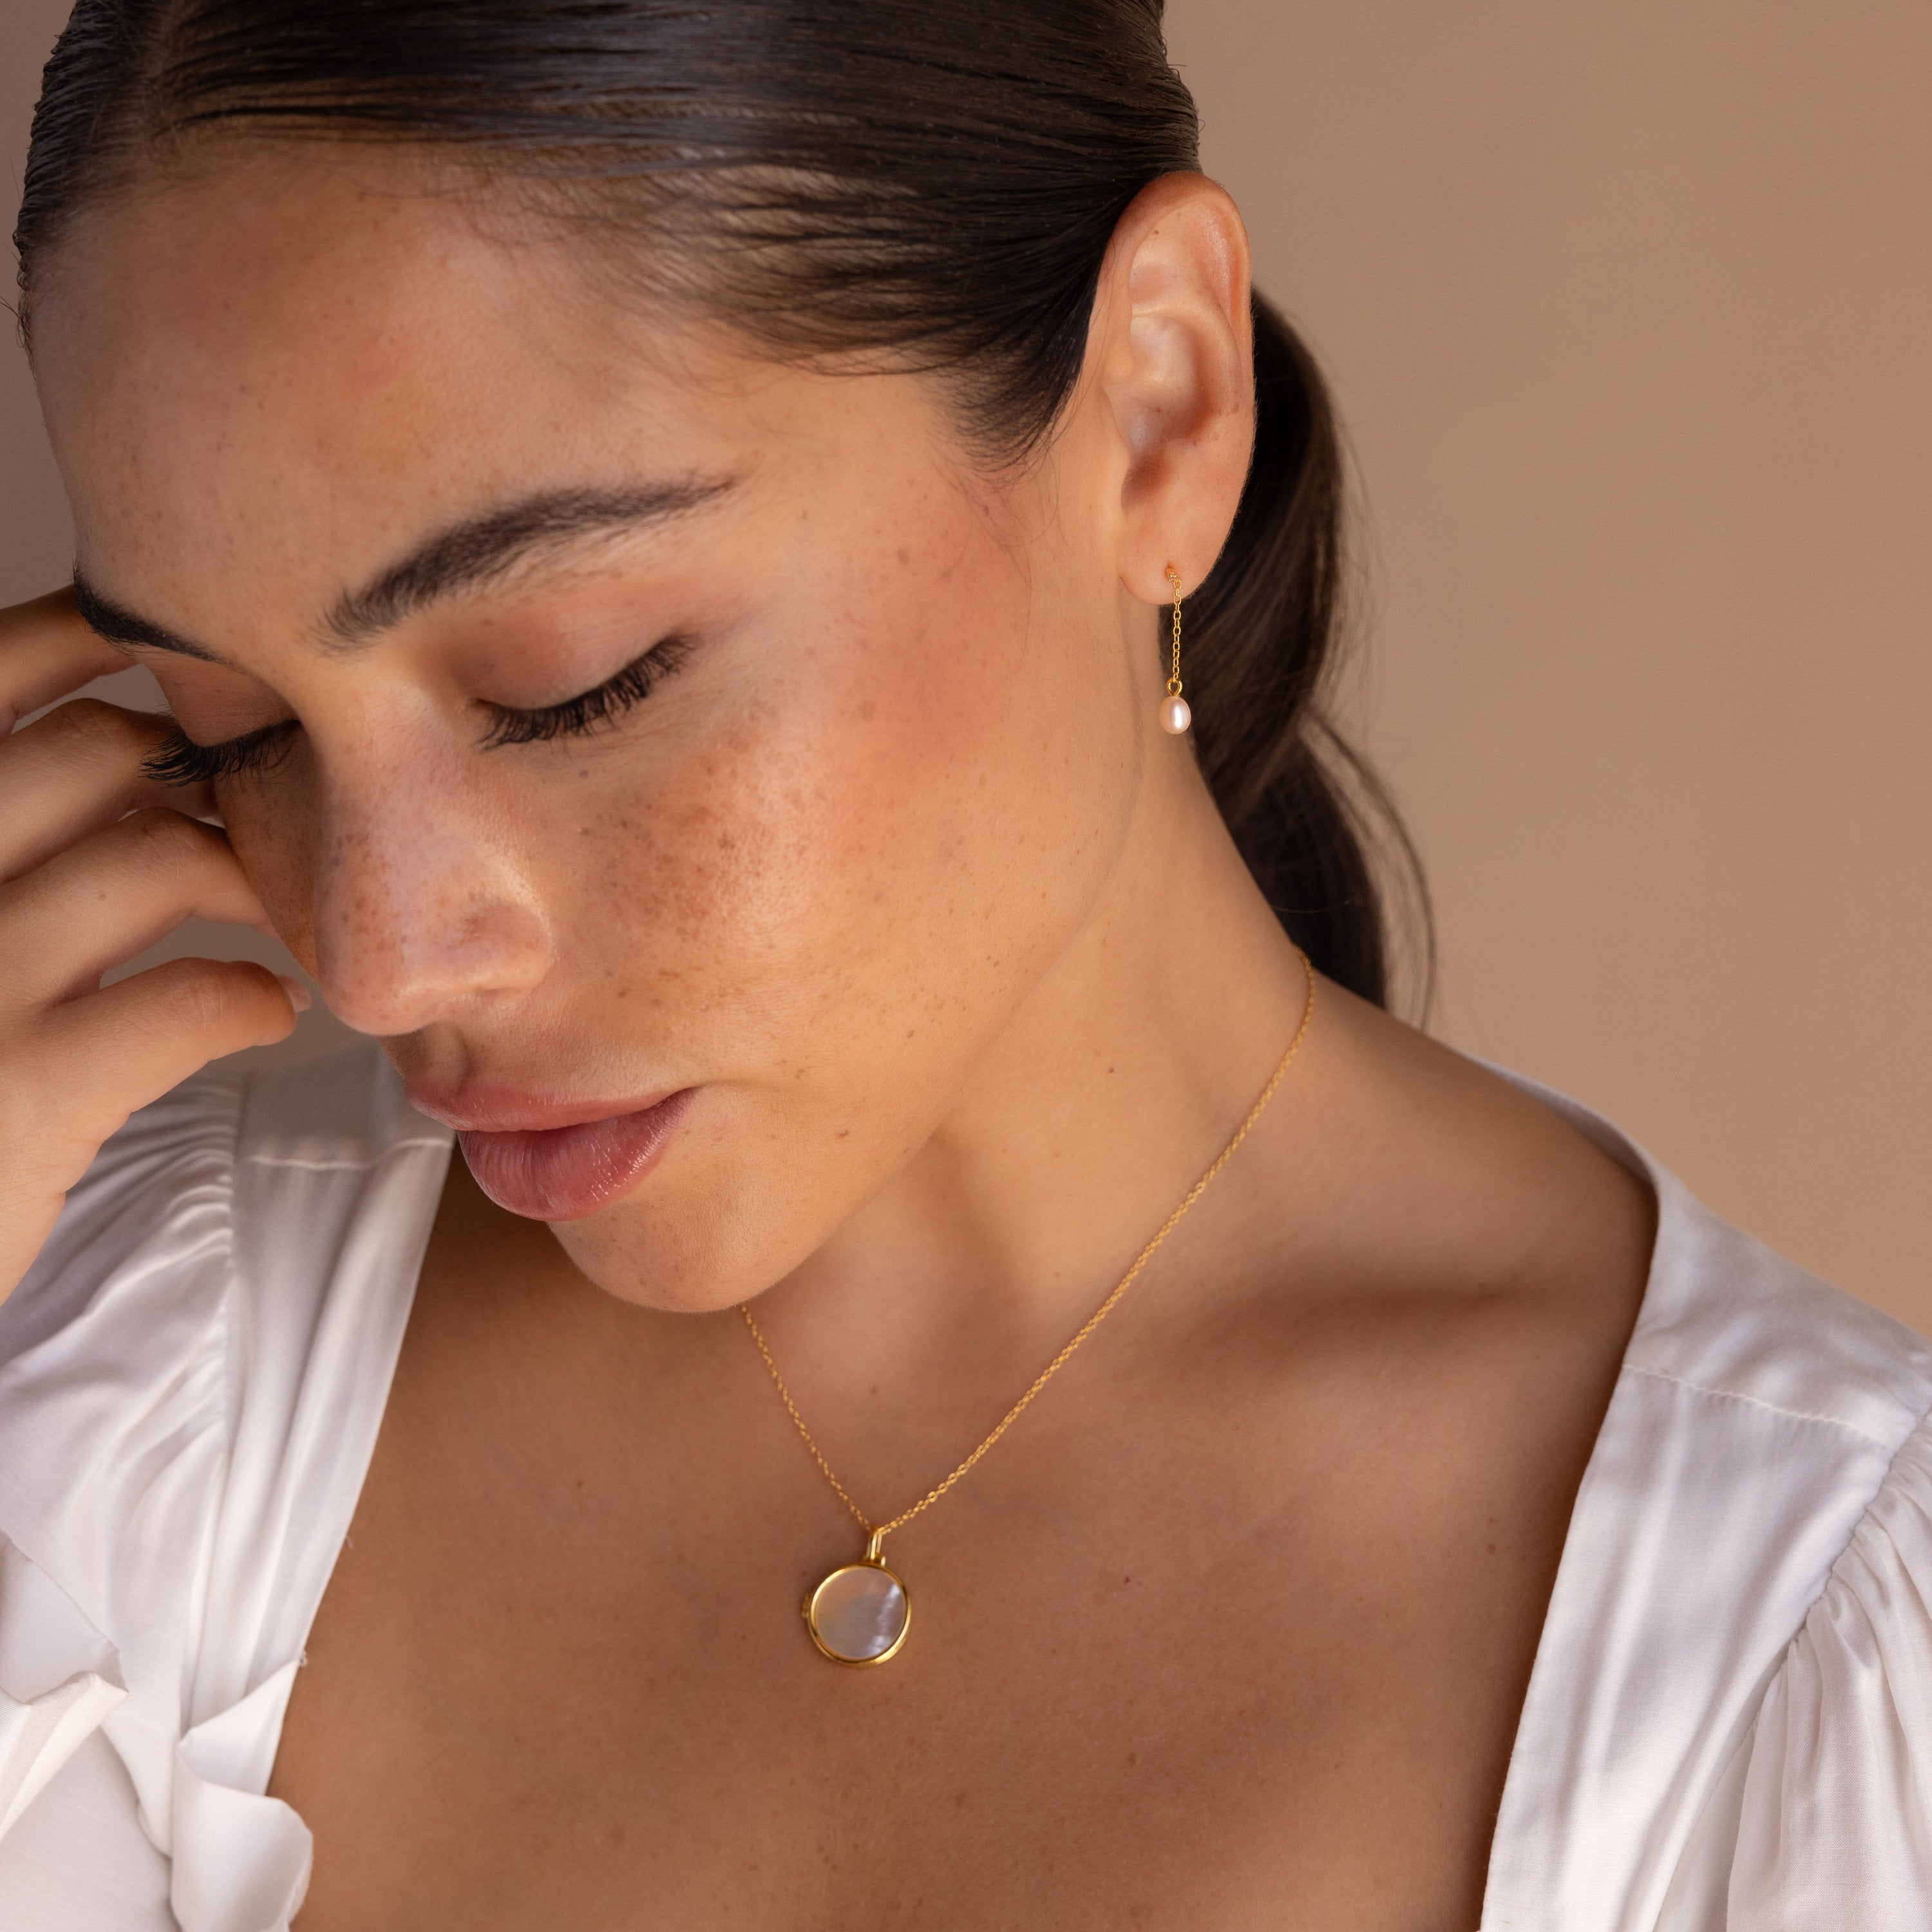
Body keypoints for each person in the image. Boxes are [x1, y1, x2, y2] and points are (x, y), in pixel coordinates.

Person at [0, 3, 1925, 1927]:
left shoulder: (1810, 1662)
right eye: (227, 723)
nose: (380, 954)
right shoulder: (104, 1375)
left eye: (576, 678)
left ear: (1161, 411)